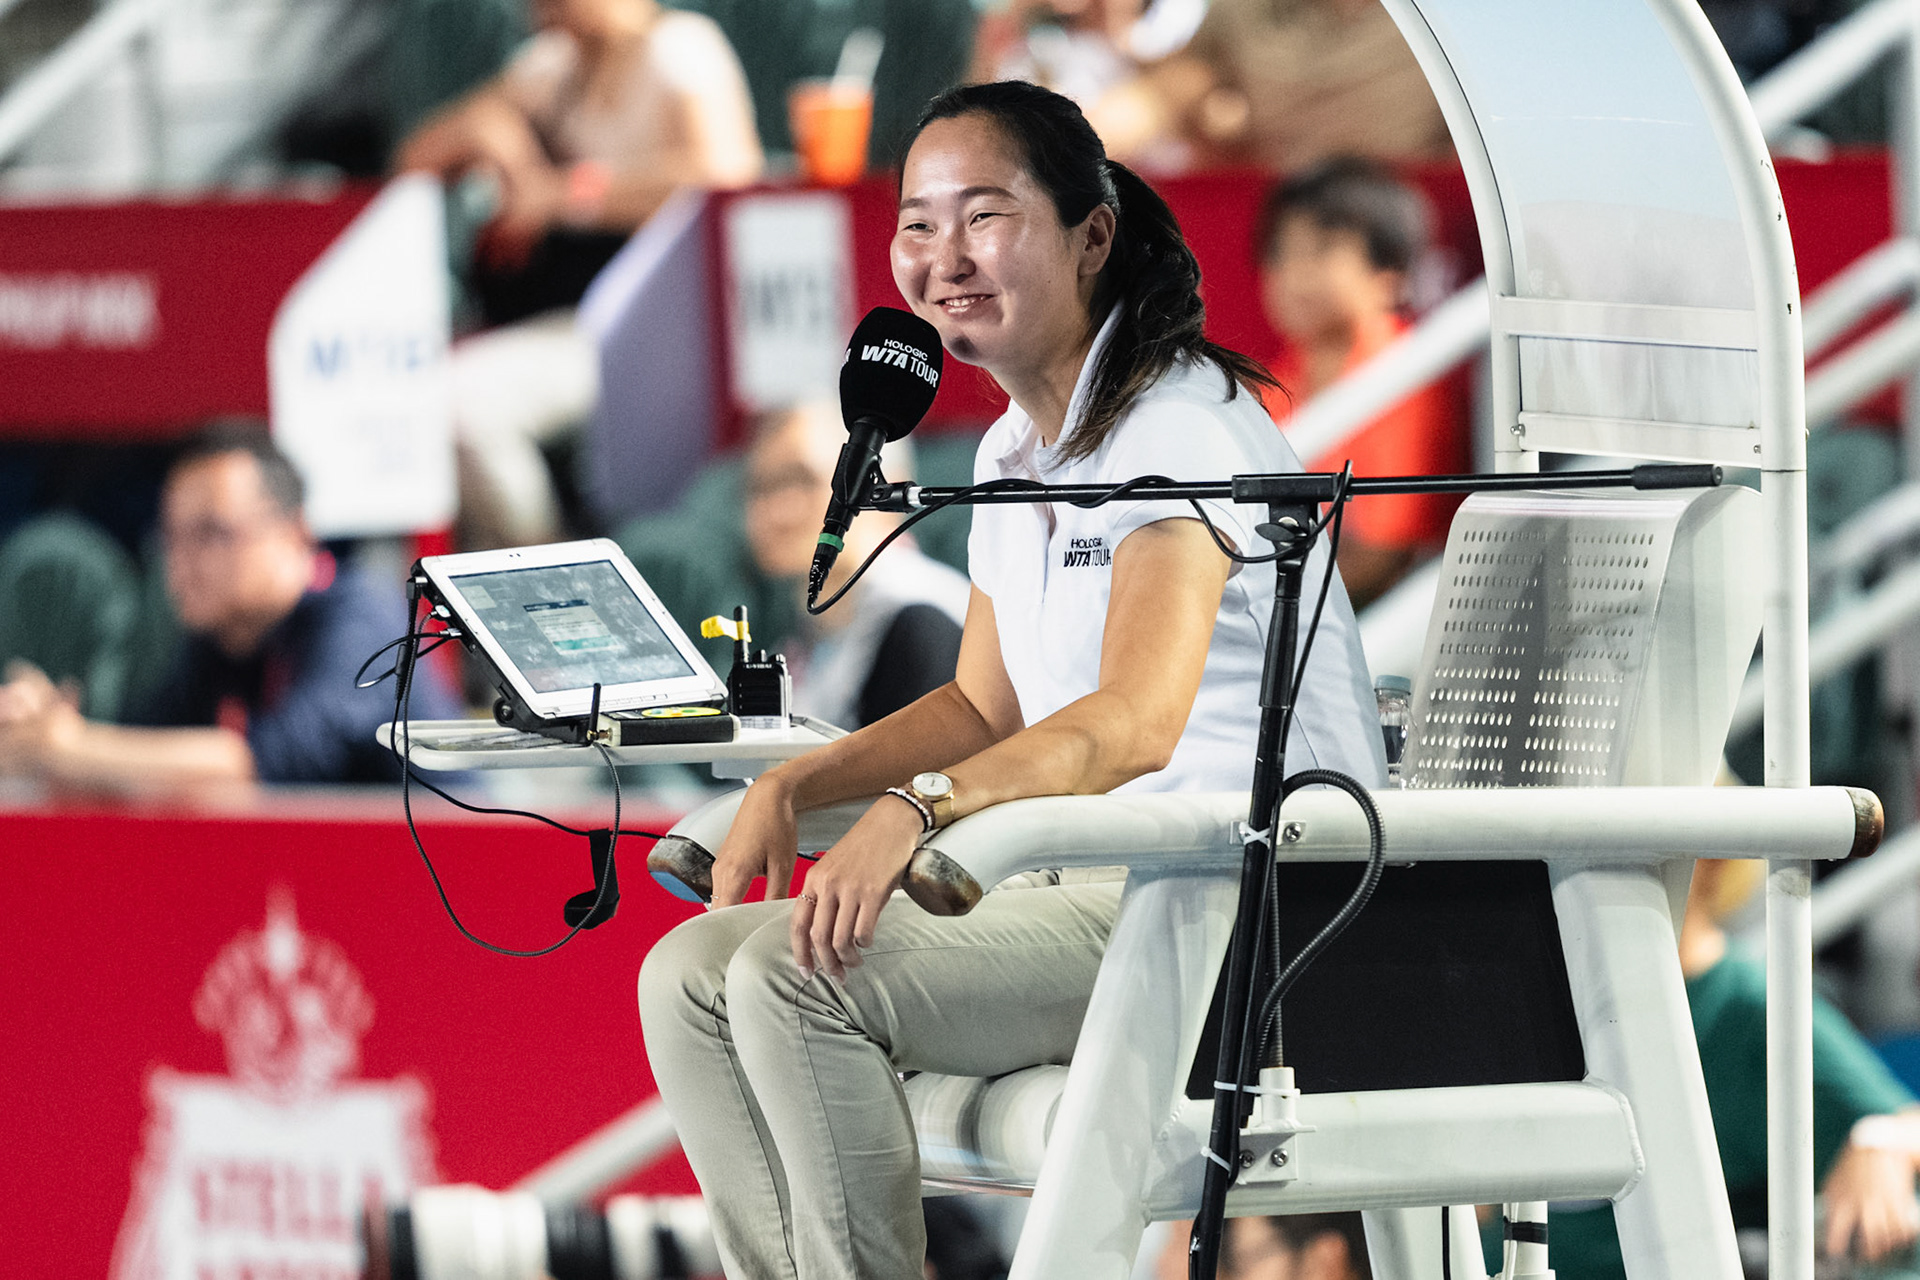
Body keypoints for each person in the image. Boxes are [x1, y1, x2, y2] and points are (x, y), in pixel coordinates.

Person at [637, 79, 1381, 1279]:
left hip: (1231, 905)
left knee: (792, 975)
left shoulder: (1177, 425)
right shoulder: (1010, 450)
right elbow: (985, 705)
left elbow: (1136, 723)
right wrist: (802, 782)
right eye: (918, 224)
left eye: (984, 215)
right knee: (685, 977)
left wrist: (920, 806)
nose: (944, 256)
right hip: (1094, 884)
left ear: (1093, 234)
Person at [1503, 858, 1920, 1278]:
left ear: (1715, 863)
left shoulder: (1747, 1007)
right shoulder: (1534, 1008)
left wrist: (1881, 1140)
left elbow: (1903, 1122)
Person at [0, 427, 461, 793]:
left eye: (210, 534)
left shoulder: (365, 622)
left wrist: (70, 746)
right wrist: (46, 727)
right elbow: (142, 750)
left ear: (295, 531)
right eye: (171, 538)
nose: (181, 564)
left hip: (460, 883)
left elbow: (258, 768)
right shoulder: (219, 641)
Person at [1258, 157, 1461, 607]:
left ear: (1389, 275)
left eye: (1322, 249)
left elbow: (1385, 553)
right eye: (1281, 252)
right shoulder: (1270, 385)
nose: (1295, 273)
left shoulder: (1408, 374)